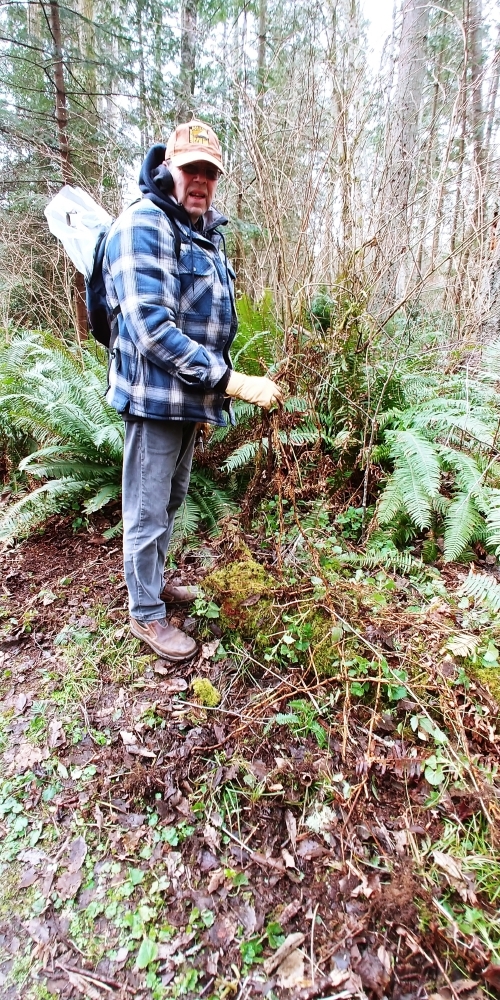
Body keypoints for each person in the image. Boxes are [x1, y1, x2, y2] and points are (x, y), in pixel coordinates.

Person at [103, 119, 283, 662]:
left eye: (210, 172)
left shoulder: (201, 230)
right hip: (153, 400)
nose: (201, 180)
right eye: (191, 170)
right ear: (168, 170)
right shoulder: (143, 224)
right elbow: (151, 327)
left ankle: (153, 583)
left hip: (186, 399)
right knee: (146, 509)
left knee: (170, 501)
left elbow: (205, 320)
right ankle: (145, 613)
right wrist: (230, 381)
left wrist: (215, 386)